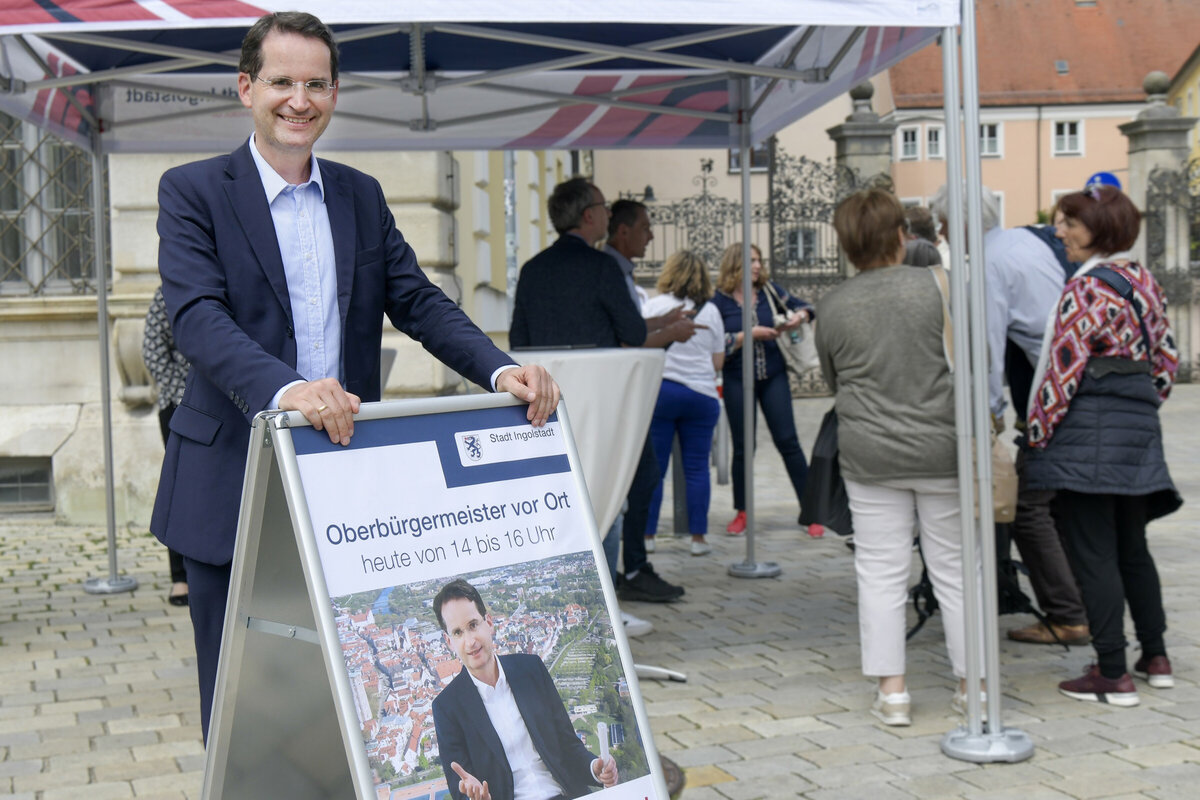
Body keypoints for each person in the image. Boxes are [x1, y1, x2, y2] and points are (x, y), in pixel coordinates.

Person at [152, 11, 559, 743]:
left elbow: (420, 303)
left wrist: (501, 370)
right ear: (247, 88)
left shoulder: (360, 195)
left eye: (316, 84)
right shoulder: (193, 191)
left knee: (344, 680)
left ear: (335, 93)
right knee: (237, 687)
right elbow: (198, 318)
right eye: (281, 82)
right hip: (227, 477)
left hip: (342, 479)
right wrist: (288, 389)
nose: (298, 100)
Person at [1024, 184, 1181, 706]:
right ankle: (1154, 656)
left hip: (1087, 429)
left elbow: (1062, 371)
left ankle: (1111, 673)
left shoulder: (1085, 289)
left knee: (1093, 553)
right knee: (1132, 548)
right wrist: (1135, 411)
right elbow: (1167, 362)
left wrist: (1038, 437)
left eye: (1070, 222)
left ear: (1099, 228)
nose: (1059, 230)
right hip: (1135, 431)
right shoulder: (1143, 280)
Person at [818, 188, 970, 726]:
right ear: (901, 236)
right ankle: (971, 686)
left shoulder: (833, 305)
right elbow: (970, 363)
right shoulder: (942, 286)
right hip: (942, 447)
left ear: (846, 244)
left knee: (880, 571)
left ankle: (894, 692)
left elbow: (834, 380)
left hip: (870, 451)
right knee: (954, 566)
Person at [510, 179, 689, 609]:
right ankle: (605, 598)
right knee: (611, 489)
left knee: (561, 496)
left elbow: (519, 338)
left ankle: (562, 591)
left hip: (545, 406)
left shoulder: (533, 268)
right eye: (604, 207)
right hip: (605, 403)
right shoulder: (602, 267)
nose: (609, 215)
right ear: (588, 215)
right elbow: (632, 332)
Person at [929, 185, 1090, 647]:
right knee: (1062, 504)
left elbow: (988, 349)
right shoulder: (1023, 241)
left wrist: (987, 418)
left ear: (958, 223)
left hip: (1057, 394)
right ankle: (1082, 604)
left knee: (1028, 505)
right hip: (1078, 384)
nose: (941, 234)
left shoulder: (985, 263)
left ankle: (1068, 614)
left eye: (942, 224)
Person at [431, 579, 618, 800]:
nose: (470, 641)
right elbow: (461, 788)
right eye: (458, 633)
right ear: (448, 641)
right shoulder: (447, 707)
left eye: (473, 625)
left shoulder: (531, 669)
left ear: (488, 622)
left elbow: (567, 745)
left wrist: (593, 768)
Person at [712, 243, 813, 535]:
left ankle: (811, 510)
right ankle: (742, 511)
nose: (757, 266)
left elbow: (806, 306)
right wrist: (747, 336)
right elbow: (715, 341)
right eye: (750, 261)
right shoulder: (719, 301)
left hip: (773, 377)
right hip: (736, 379)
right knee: (744, 447)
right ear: (735, 264)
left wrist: (800, 317)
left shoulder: (770, 291)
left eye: (758, 260)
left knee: (788, 441)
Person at [640, 250, 725, 556]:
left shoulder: (655, 305)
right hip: (701, 395)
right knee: (697, 468)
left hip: (663, 393)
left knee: (656, 468)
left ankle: (647, 535)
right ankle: (698, 538)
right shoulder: (712, 311)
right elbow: (718, 361)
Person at [142, 285, 189, 607]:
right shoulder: (167, 294)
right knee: (179, 486)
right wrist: (183, 391)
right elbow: (152, 350)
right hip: (178, 403)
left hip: (230, 402)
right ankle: (180, 577)